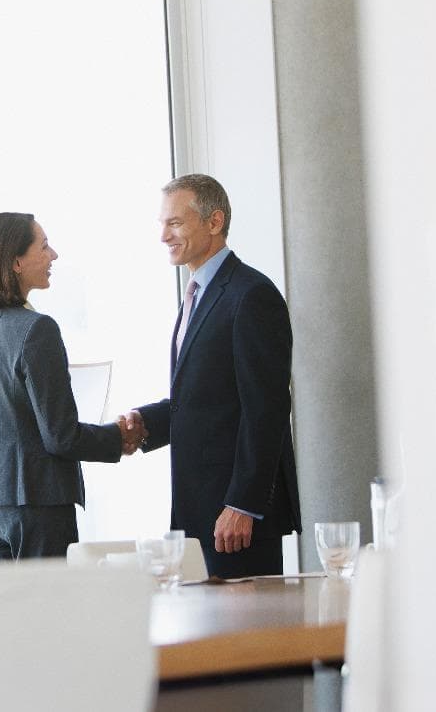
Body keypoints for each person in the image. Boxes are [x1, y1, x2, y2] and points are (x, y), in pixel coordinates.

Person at [118, 175, 301, 578]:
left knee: (246, 639)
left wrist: (242, 505)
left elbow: (266, 409)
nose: (164, 236)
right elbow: (206, 399)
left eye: (176, 223)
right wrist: (146, 423)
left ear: (214, 222)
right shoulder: (196, 294)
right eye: (162, 224)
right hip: (198, 514)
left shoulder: (251, 295)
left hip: (236, 521)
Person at [0, 212, 139, 562]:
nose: (54, 256)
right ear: (16, 261)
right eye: (44, 246)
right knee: (47, 615)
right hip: (38, 504)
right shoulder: (37, 329)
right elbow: (61, 437)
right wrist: (117, 438)